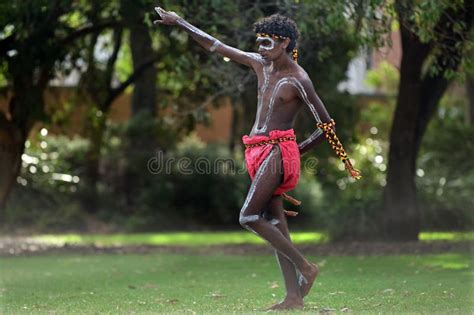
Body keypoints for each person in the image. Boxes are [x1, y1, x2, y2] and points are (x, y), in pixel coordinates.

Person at [154, 7, 361, 310]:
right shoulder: (260, 65)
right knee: (274, 222)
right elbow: (216, 46)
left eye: (268, 42)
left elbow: (326, 126)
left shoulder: (299, 80)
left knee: (248, 216)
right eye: (260, 42)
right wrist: (180, 22)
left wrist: (294, 151)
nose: (261, 48)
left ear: (286, 44)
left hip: (278, 153)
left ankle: (307, 267)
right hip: (257, 150)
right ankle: (293, 297)